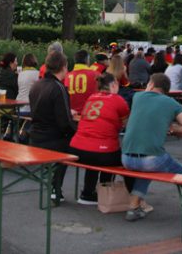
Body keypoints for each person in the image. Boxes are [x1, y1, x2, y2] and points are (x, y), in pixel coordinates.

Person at [120, 73, 182, 222]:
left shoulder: (137, 97)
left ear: (150, 85)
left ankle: (133, 208)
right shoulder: (171, 103)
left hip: (126, 157)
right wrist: (173, 128)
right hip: (151, 159)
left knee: (147, 171)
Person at [69, 73, 133, 205]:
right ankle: (123, 195)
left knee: (94, 151)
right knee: (124, 160)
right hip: (102, 153)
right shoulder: (117, 100)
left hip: (77, 148)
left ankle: (87, 192)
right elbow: (129, 124)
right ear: (114, 85)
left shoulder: (91, 97)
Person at [29, 51, 77, 206]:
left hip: (35, 137)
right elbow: (65, 123)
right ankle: (56, 188)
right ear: (63, 67)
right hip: (53, 140)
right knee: (73, 145)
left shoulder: (37, 85)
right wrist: (77, 133)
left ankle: (55, 187)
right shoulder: (59, 88)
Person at [65, 49, 100, 115]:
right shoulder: (96, 75)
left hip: (71, 116)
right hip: (91, 115)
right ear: (87, 60)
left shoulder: (67, 76)